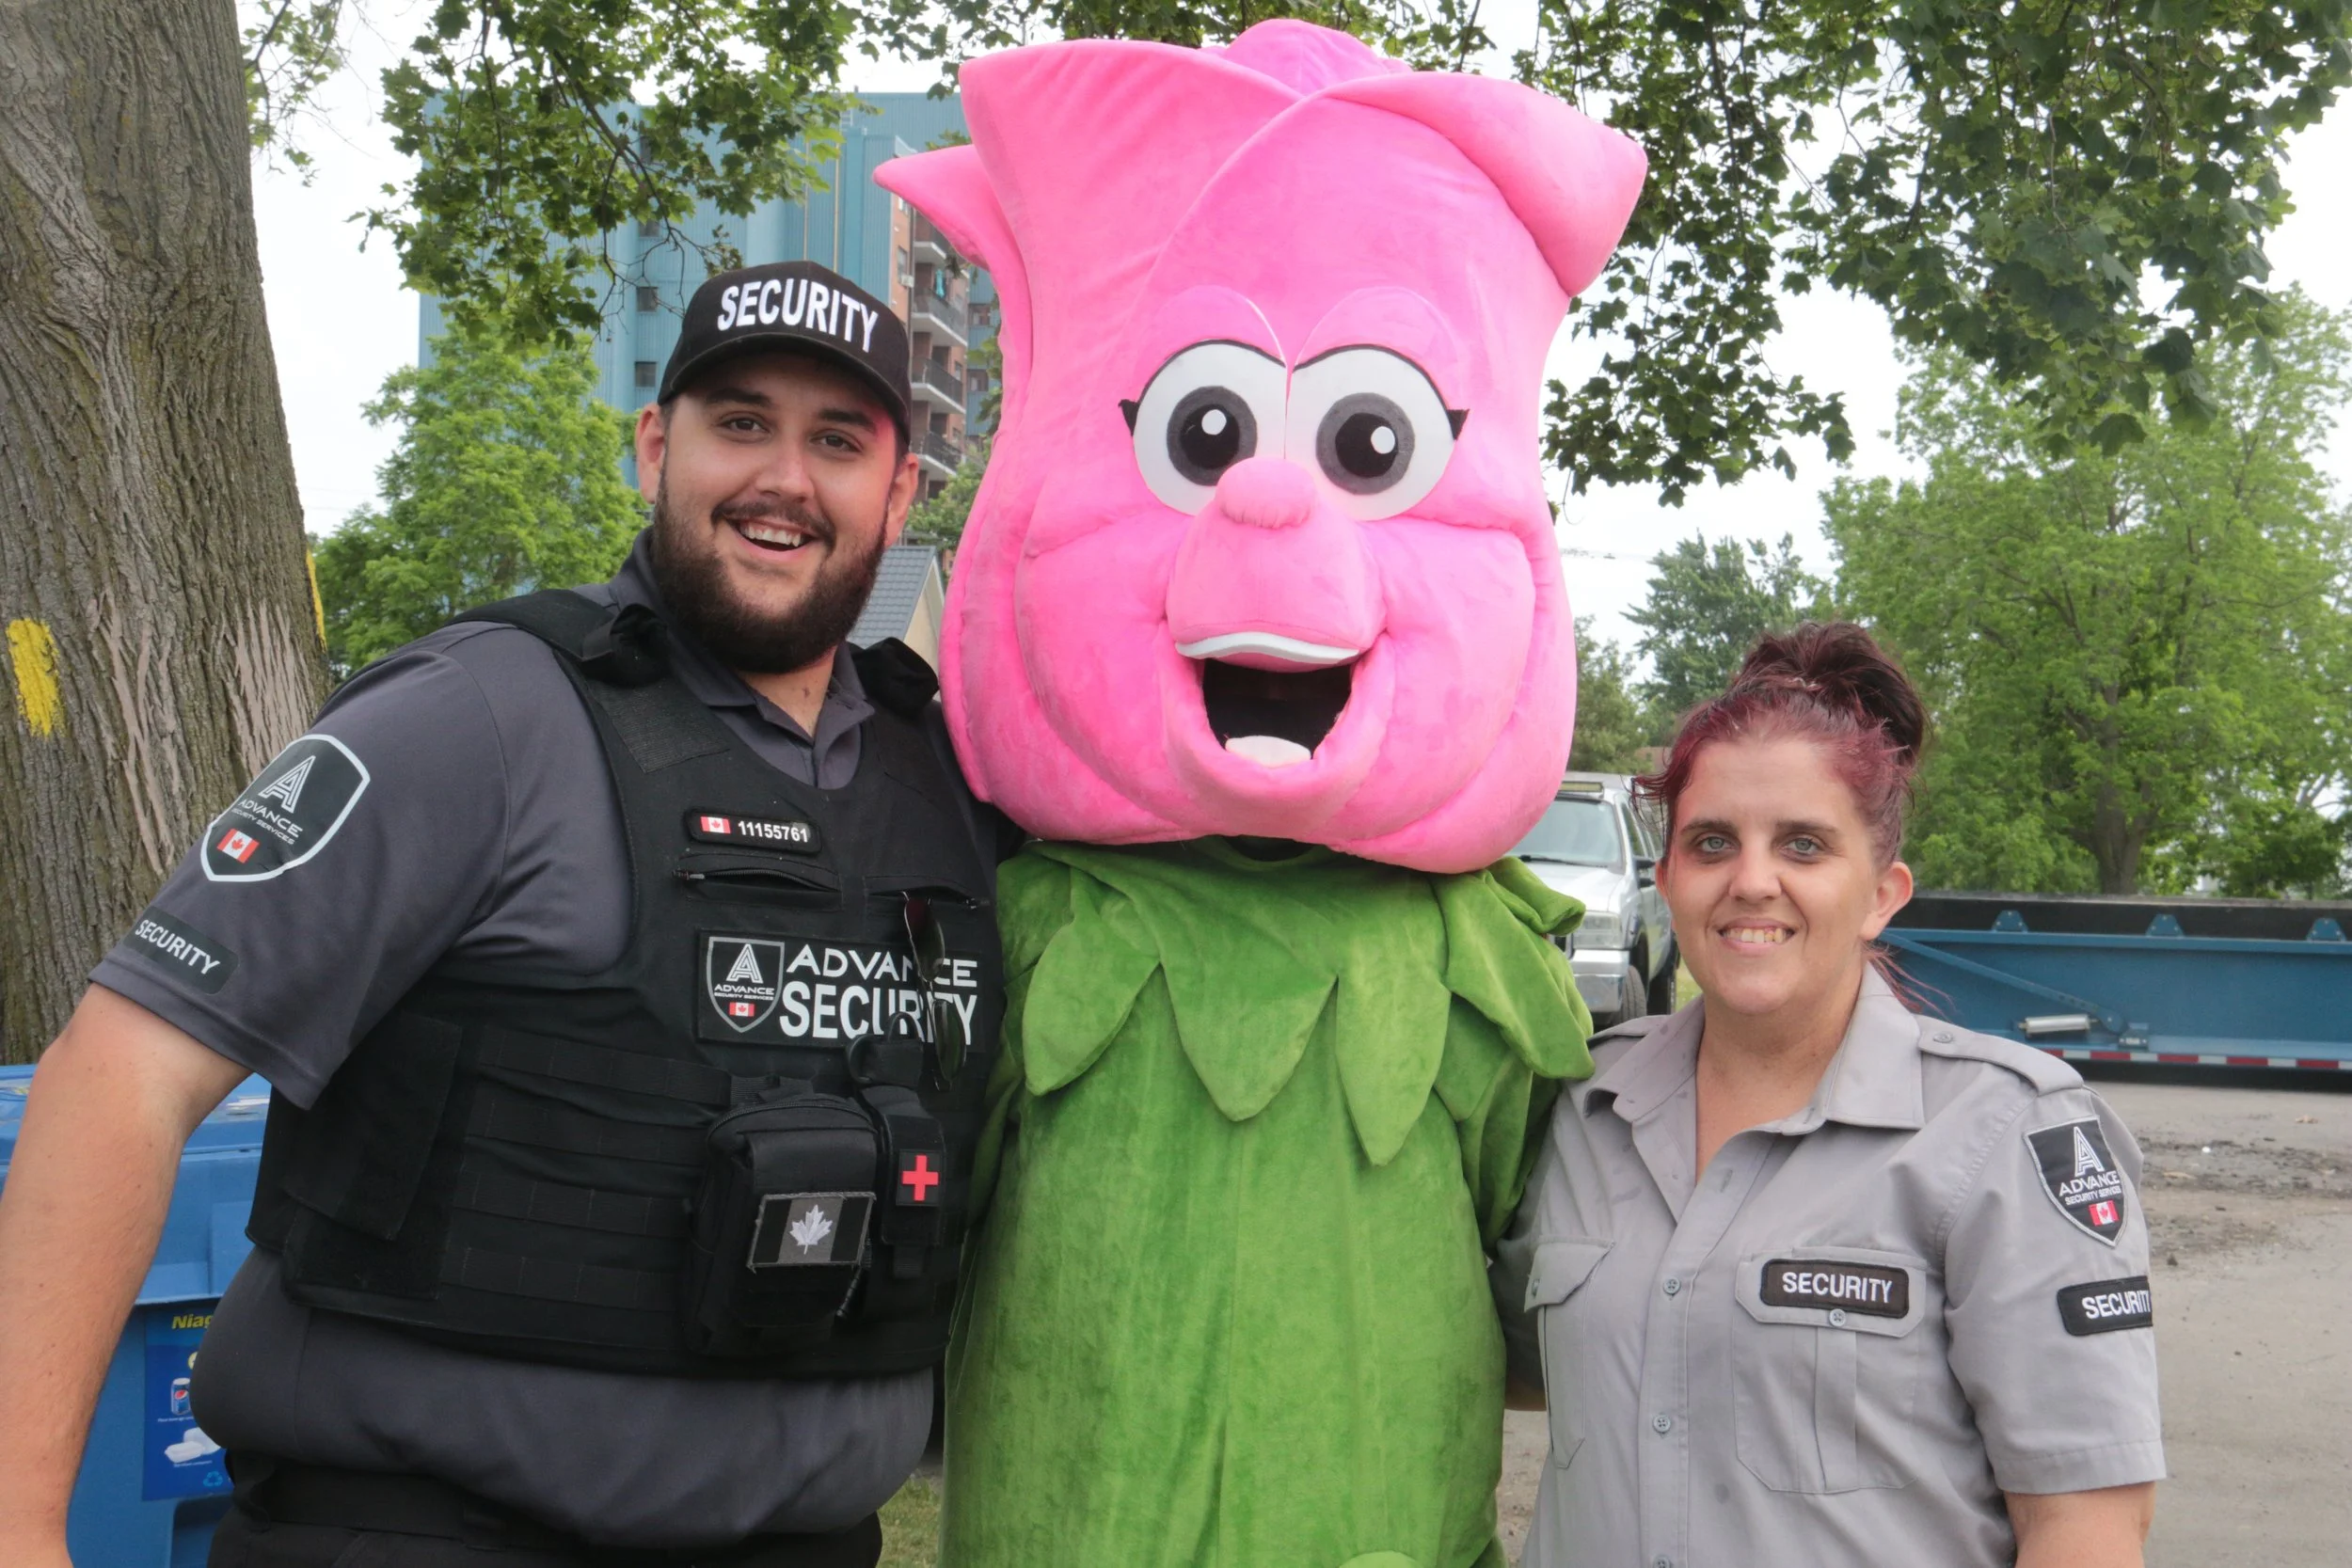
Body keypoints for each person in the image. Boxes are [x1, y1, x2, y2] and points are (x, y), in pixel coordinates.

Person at [0, 260, 1007, 1568]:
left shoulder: (956, 780)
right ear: (658, 443)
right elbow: (122, 1071)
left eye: (838, 441)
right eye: (741, 422)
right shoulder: (478, 715)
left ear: (902, 491)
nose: (785, 481)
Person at [1496, 622, 2164, 1568]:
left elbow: (2086, 1525)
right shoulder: (1581, 1110)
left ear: (1882, 891)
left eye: (1803, 845)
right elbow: (1516, 1367)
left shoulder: (2005, 1133)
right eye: (1712, 841)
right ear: (1668, 879)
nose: (1752, 881)